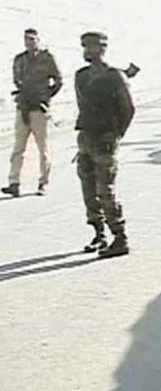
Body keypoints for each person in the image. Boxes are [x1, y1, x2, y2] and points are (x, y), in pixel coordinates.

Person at [75, 32, 135, 259]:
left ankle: (120, 237)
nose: (87, 51)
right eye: (84, 47)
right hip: (85, 139)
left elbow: (128, 108)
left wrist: (117, 135)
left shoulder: (115, 76)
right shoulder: (80, 76)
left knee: (105, 191)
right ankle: (99, 234)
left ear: (102, 49)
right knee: (88, 190)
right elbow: (83, 107)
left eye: (91, 47)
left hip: (105, 140)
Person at [1, 28, 63, 198]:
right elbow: (16, 80)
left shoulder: (47, 58)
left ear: (38, 40)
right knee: (18, 147)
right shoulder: (19, 59)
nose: (29, 42)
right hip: (23, 107)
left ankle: (43, 182)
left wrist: (45, 96)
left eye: (32, 39)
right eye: (26, 39)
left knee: (42, 147)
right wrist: (24, 95)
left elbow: (59, 80)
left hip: (39, 108)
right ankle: (14, 182)